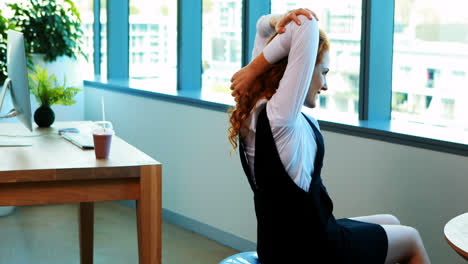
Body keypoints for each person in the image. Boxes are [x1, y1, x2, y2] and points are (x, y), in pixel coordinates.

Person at [228, 8, 431, 264]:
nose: (325, 85)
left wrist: (273, 30)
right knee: (411, 239)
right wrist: (254, 66)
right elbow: (307, 25)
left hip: (278, 247)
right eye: (323, 72)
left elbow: (261, 28)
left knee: (391, 222)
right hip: (315, 248)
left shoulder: (256, 109)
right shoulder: (282, 117)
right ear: (298, 69)